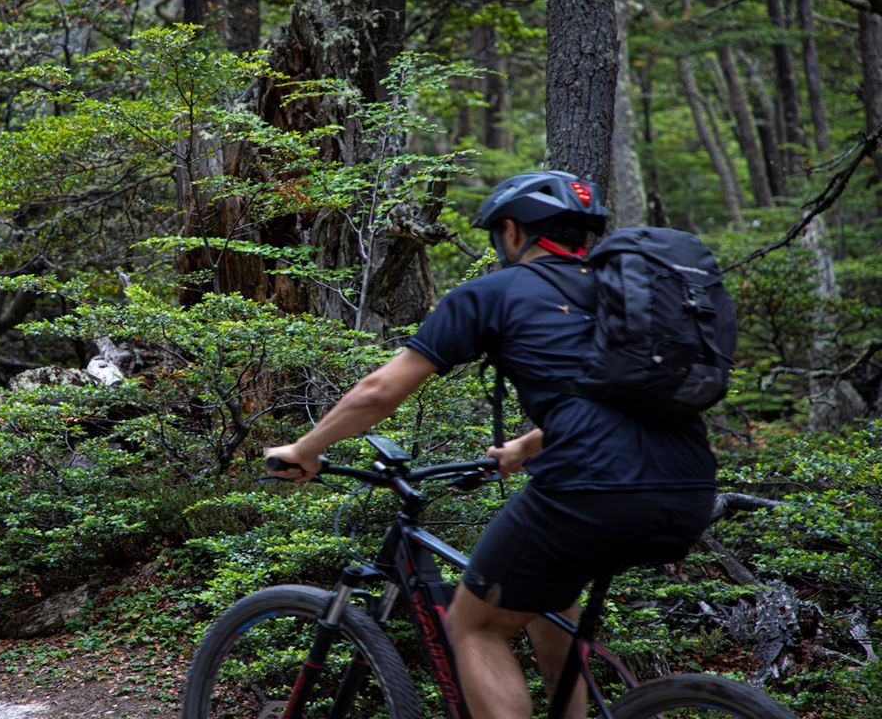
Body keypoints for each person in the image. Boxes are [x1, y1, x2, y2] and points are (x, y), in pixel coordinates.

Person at [264, 170, 718, 719]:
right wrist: (526, 445)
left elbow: (380, 391)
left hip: (590, 487)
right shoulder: (625, 297)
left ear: (511, 231)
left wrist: (306, 447)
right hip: (688, 485)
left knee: (472, 625)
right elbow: (613, 396)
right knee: (550, 610)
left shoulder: (492, 293)